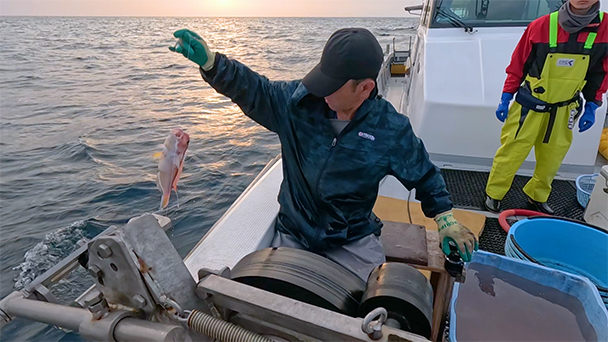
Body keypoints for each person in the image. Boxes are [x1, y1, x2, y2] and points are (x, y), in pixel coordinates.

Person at [170, 27, 478, 280]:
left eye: (332, 86)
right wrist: (212, 63)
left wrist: (445, 218)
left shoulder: (390, 130)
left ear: (365, 88)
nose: (322, 91)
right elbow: (255, 89)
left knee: (366, 312)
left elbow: (424, 175)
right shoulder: (297, 104)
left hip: (353, 240)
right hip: (294, 233)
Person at [485, 0, 607, 214]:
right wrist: (506, 96)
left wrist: (592, 105)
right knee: (511, 152)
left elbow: (601, 73)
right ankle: (494, 194)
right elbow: (517, 66)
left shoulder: (606, 29)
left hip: (564, 109)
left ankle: (537, 197)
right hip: (528, 106)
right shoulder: (540, 26)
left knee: (553, 157)